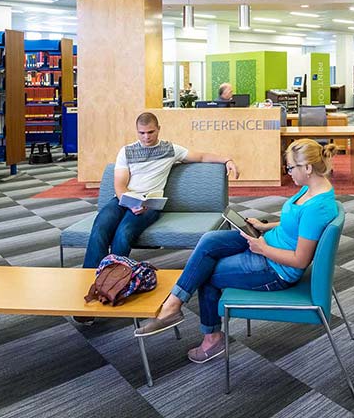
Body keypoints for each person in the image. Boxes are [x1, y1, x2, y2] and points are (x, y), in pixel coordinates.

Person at [134, 139, 339, 364]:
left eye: (290, 167)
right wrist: (265, 227)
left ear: (307, 168)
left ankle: (210, 338)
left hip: (276, 268)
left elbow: (300, 260)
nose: (288, 172)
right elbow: (296, 224)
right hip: (266, 243)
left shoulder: (317, 207)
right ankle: (174, 303)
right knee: (210, 240)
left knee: (207, 274)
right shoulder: (310, 189)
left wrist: (263, 249)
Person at [76, 112, 239, 322]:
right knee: (99, 229)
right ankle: (89, 285)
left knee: (123, 234)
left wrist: (228, 160)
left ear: (158, 129)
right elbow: (119, 185)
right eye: (142, 133)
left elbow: (201, 156)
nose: (146, 137)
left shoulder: (169, 149)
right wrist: (130, 202)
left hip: (150, 204)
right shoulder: (126, 151)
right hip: (123, 199)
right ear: (137, 132)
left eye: (150, 132)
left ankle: (113, 287)